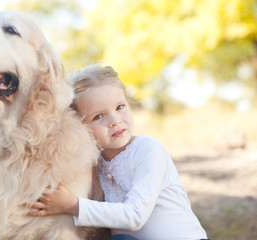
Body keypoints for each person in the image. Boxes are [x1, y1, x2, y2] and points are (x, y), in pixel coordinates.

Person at [28, 65, 209, 240]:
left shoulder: (148, 151)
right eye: (98, 116)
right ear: (79, 127)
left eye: (120, 107)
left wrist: (73, 205)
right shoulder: (93, 165)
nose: (115, 121)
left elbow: (135, 216)